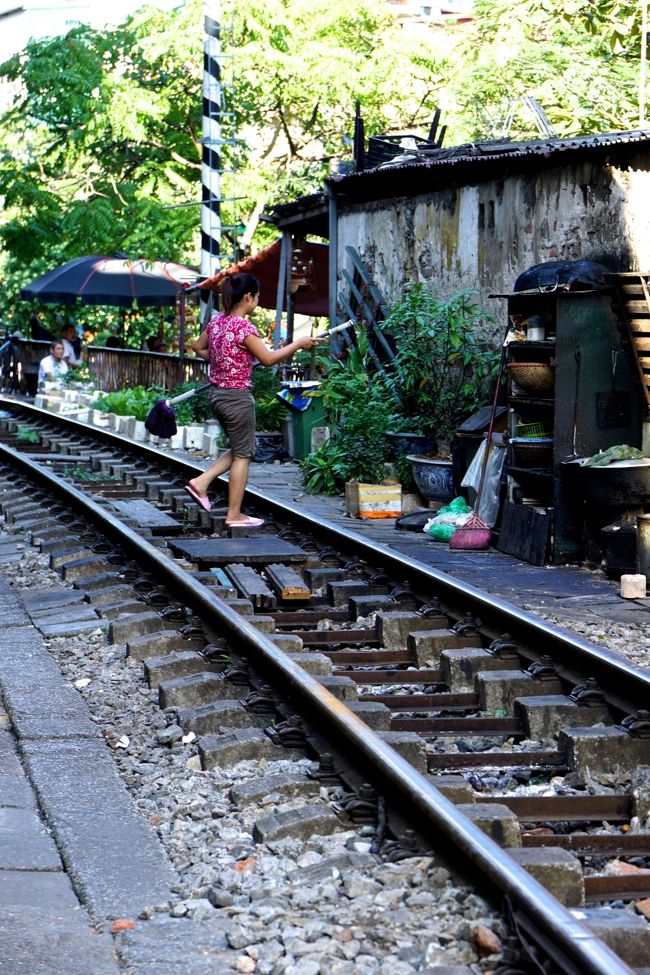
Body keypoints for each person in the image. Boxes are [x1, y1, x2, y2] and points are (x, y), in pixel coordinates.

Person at [185, 272, 325, 528]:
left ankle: (202, 482)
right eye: (257, 297)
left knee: (241, 448)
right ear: (248, 297)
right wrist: (298, 344)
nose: (257, 301)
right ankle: (233, 514)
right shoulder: (243, 327)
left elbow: (197, 347)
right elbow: (268, 359)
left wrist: (222, 361)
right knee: (243, 456)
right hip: (237, 399)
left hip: (217, 396)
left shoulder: (217, 322)